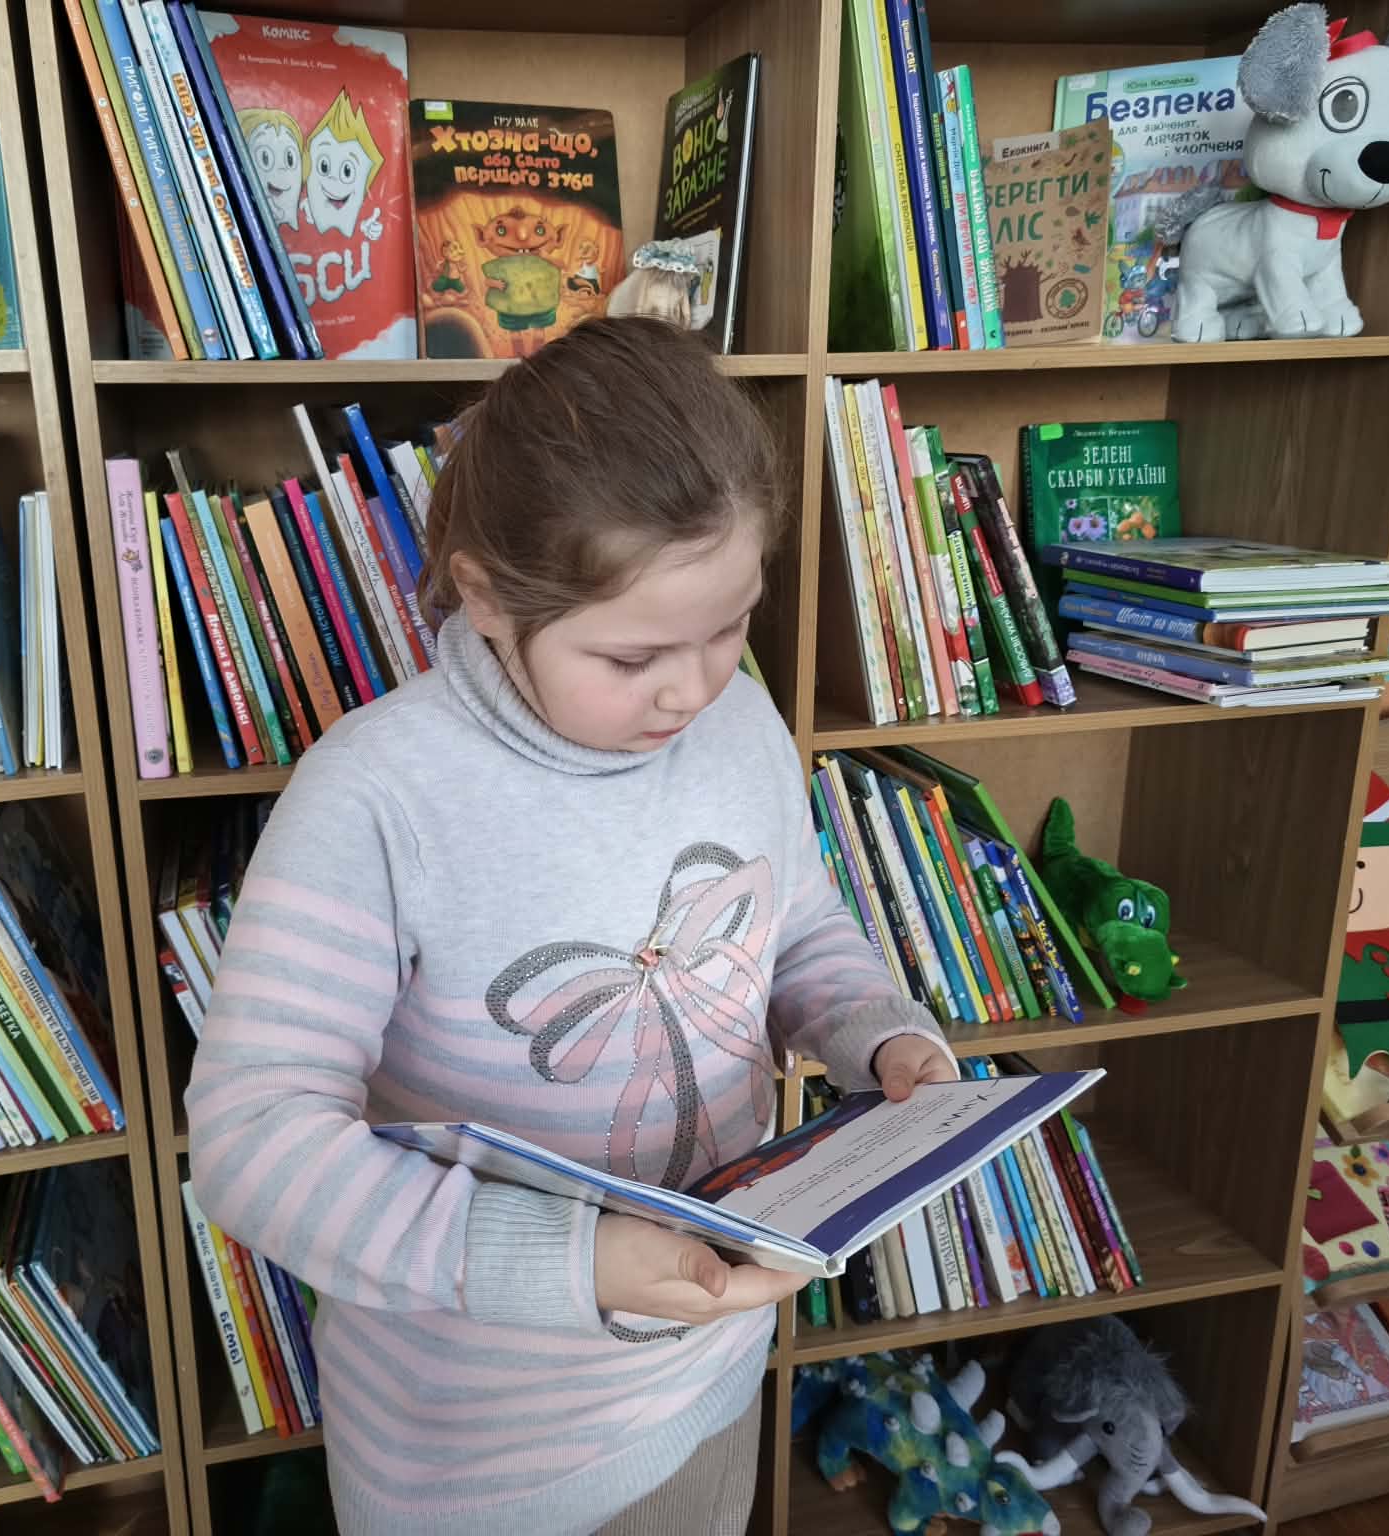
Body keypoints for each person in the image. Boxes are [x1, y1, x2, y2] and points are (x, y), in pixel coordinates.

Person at [185, 317, 957, 1536]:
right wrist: (560, 1261)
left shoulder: (738, 722)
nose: (691, 687)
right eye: (632, 654)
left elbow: (792, 917)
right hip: (478, 1457)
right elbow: (250, 1141)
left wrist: (873, 1028)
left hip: (707, 1376)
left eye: (727, 626)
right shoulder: (376, 797)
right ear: (488, 596)